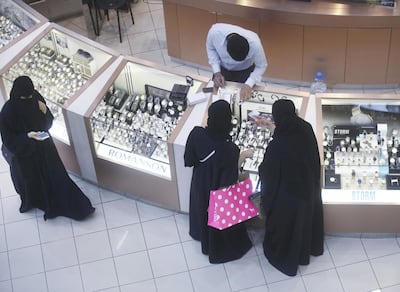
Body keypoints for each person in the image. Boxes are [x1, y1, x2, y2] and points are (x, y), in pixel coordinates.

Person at [0, 76, 95, 221]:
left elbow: (47, 123)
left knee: (55, 176)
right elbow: (8, 139)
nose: (30, 98)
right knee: (32, 180)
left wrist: (45, 112)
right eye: (27, 97)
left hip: (44, 148)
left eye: (31, 95)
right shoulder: (8, 112)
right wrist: (27, 137)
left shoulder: (35, 97)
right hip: (26, 155)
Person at [256, 99, 324, 276]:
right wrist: (272, 128)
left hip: (287, 200)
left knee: (285, 229)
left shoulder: (276, 147)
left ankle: (286, 258)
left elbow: (268, 174)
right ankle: (304, 253)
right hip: (308, 191)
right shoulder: (305, 128)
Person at [184, 99, 254, 263]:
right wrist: (242, 156)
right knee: (217, 215)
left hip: (200, 184)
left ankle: (200, 235)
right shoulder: (230, 149)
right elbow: (229, 181)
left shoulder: (196, 134)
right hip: (217, 192)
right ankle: (214, 245)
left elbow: (188, 160)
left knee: (200, 208)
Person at [206, 23, 268, 101]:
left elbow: (261, 66)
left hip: (245, 72)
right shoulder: (214, 33)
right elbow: (211, 49)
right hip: (222, 70)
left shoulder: (255, 44)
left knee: (244, 99)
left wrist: (249, 84)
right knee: (215, 96)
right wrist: (217, 72)